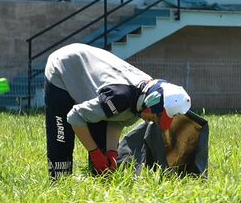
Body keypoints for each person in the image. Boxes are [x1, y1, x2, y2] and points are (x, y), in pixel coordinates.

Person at [44, 43, 191, 179]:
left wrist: (111, 153)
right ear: (151, 103)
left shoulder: (142, 100)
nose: (152, 121)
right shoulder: (121, 97)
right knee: (61, 137)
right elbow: (74, 117)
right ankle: (59, 181)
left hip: (95, 81)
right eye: (156, 117)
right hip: (65, 66)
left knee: (102, 147)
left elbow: (116, 121)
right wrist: (93, 152)